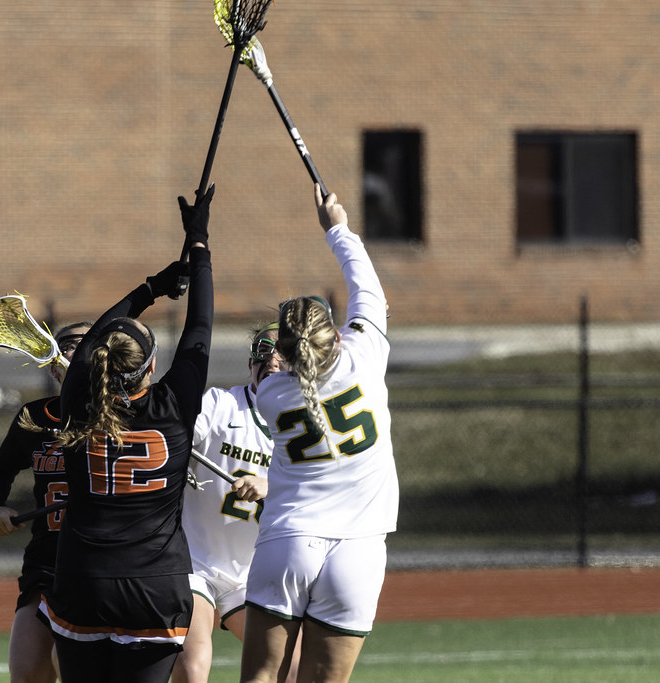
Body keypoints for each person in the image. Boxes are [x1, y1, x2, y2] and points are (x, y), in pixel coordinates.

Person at [38, 185, 214, 683]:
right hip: (155, 589)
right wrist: (198, 242)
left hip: (82, 581)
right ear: (152, 367)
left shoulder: (78, 399)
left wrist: (152, 287)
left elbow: (95, 336)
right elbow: (200, 326)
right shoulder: (175, 404)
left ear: (93, 365)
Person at [240, 184, 398, 683]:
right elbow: (368, 289)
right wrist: (336, 228)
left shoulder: (272, 395)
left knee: (262, 677)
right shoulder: (366, 353)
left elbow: (274, 375)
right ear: (333, 333)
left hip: (288, 542)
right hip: (359, 550)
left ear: (284, 348)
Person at [172, 323, 299, 683]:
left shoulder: (306, 422)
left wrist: (270, 484)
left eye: (284, 352)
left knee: (294, 671)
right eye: (263, 352)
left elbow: (327, 484)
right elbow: (173, 433)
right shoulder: (219, 405)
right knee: (191, 665)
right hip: (195, 562)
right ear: (250, 363)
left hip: (255, 571)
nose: (272, 360)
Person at [0, 320, 91, 683]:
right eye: (65, 345)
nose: (72, 351)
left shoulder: (125, 416)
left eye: (83, 344)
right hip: (46, 560)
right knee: (27, 672)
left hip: (100, 563)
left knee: (72, 666)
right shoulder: (35, 417)